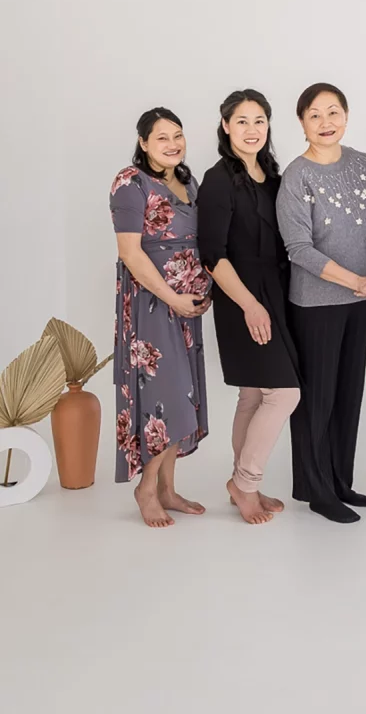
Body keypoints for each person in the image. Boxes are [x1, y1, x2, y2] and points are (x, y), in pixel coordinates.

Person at [276, 83, 366, 524]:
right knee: (316, 400)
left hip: (360, 300)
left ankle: (341, 481)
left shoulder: (364, 165)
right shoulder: (296, 175)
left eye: (334, 112)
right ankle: (316, 489)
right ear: (301, 122)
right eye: (315, 115)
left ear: (346, 116)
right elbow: (298, 249)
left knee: (348, 395)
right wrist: (356, 280)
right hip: (316, 303)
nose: (326, 123)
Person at [197, 90, 301, 525]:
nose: (251, 130)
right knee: (285, 393)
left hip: (275, 291)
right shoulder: (218, 179)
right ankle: (246, 483)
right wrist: (250, 305)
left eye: (259, 121)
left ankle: (240, 482)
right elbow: (212, 255)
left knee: (255, 394)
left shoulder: (273, 175)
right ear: (225, 127)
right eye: (241, 121)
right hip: (241, 296)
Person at [110, 107, 211, 528]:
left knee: (183, 394)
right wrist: (173, 296)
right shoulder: (130, 183)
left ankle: (168, 488)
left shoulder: (188, 181)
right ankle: (146, 488)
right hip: (152, 303)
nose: (173, 144)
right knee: (162, 396)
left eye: (178, 135)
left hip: (187, 306)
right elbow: (130, 253)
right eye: (162, 137)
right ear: (144, 143)